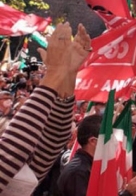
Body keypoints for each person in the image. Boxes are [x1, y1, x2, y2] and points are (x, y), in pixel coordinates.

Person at [0, 23, 87, 194]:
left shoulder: (25, 165)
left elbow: (53, 138)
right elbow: (11, 154)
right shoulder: (14, 152)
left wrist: (67, 76)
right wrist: (54, 73)